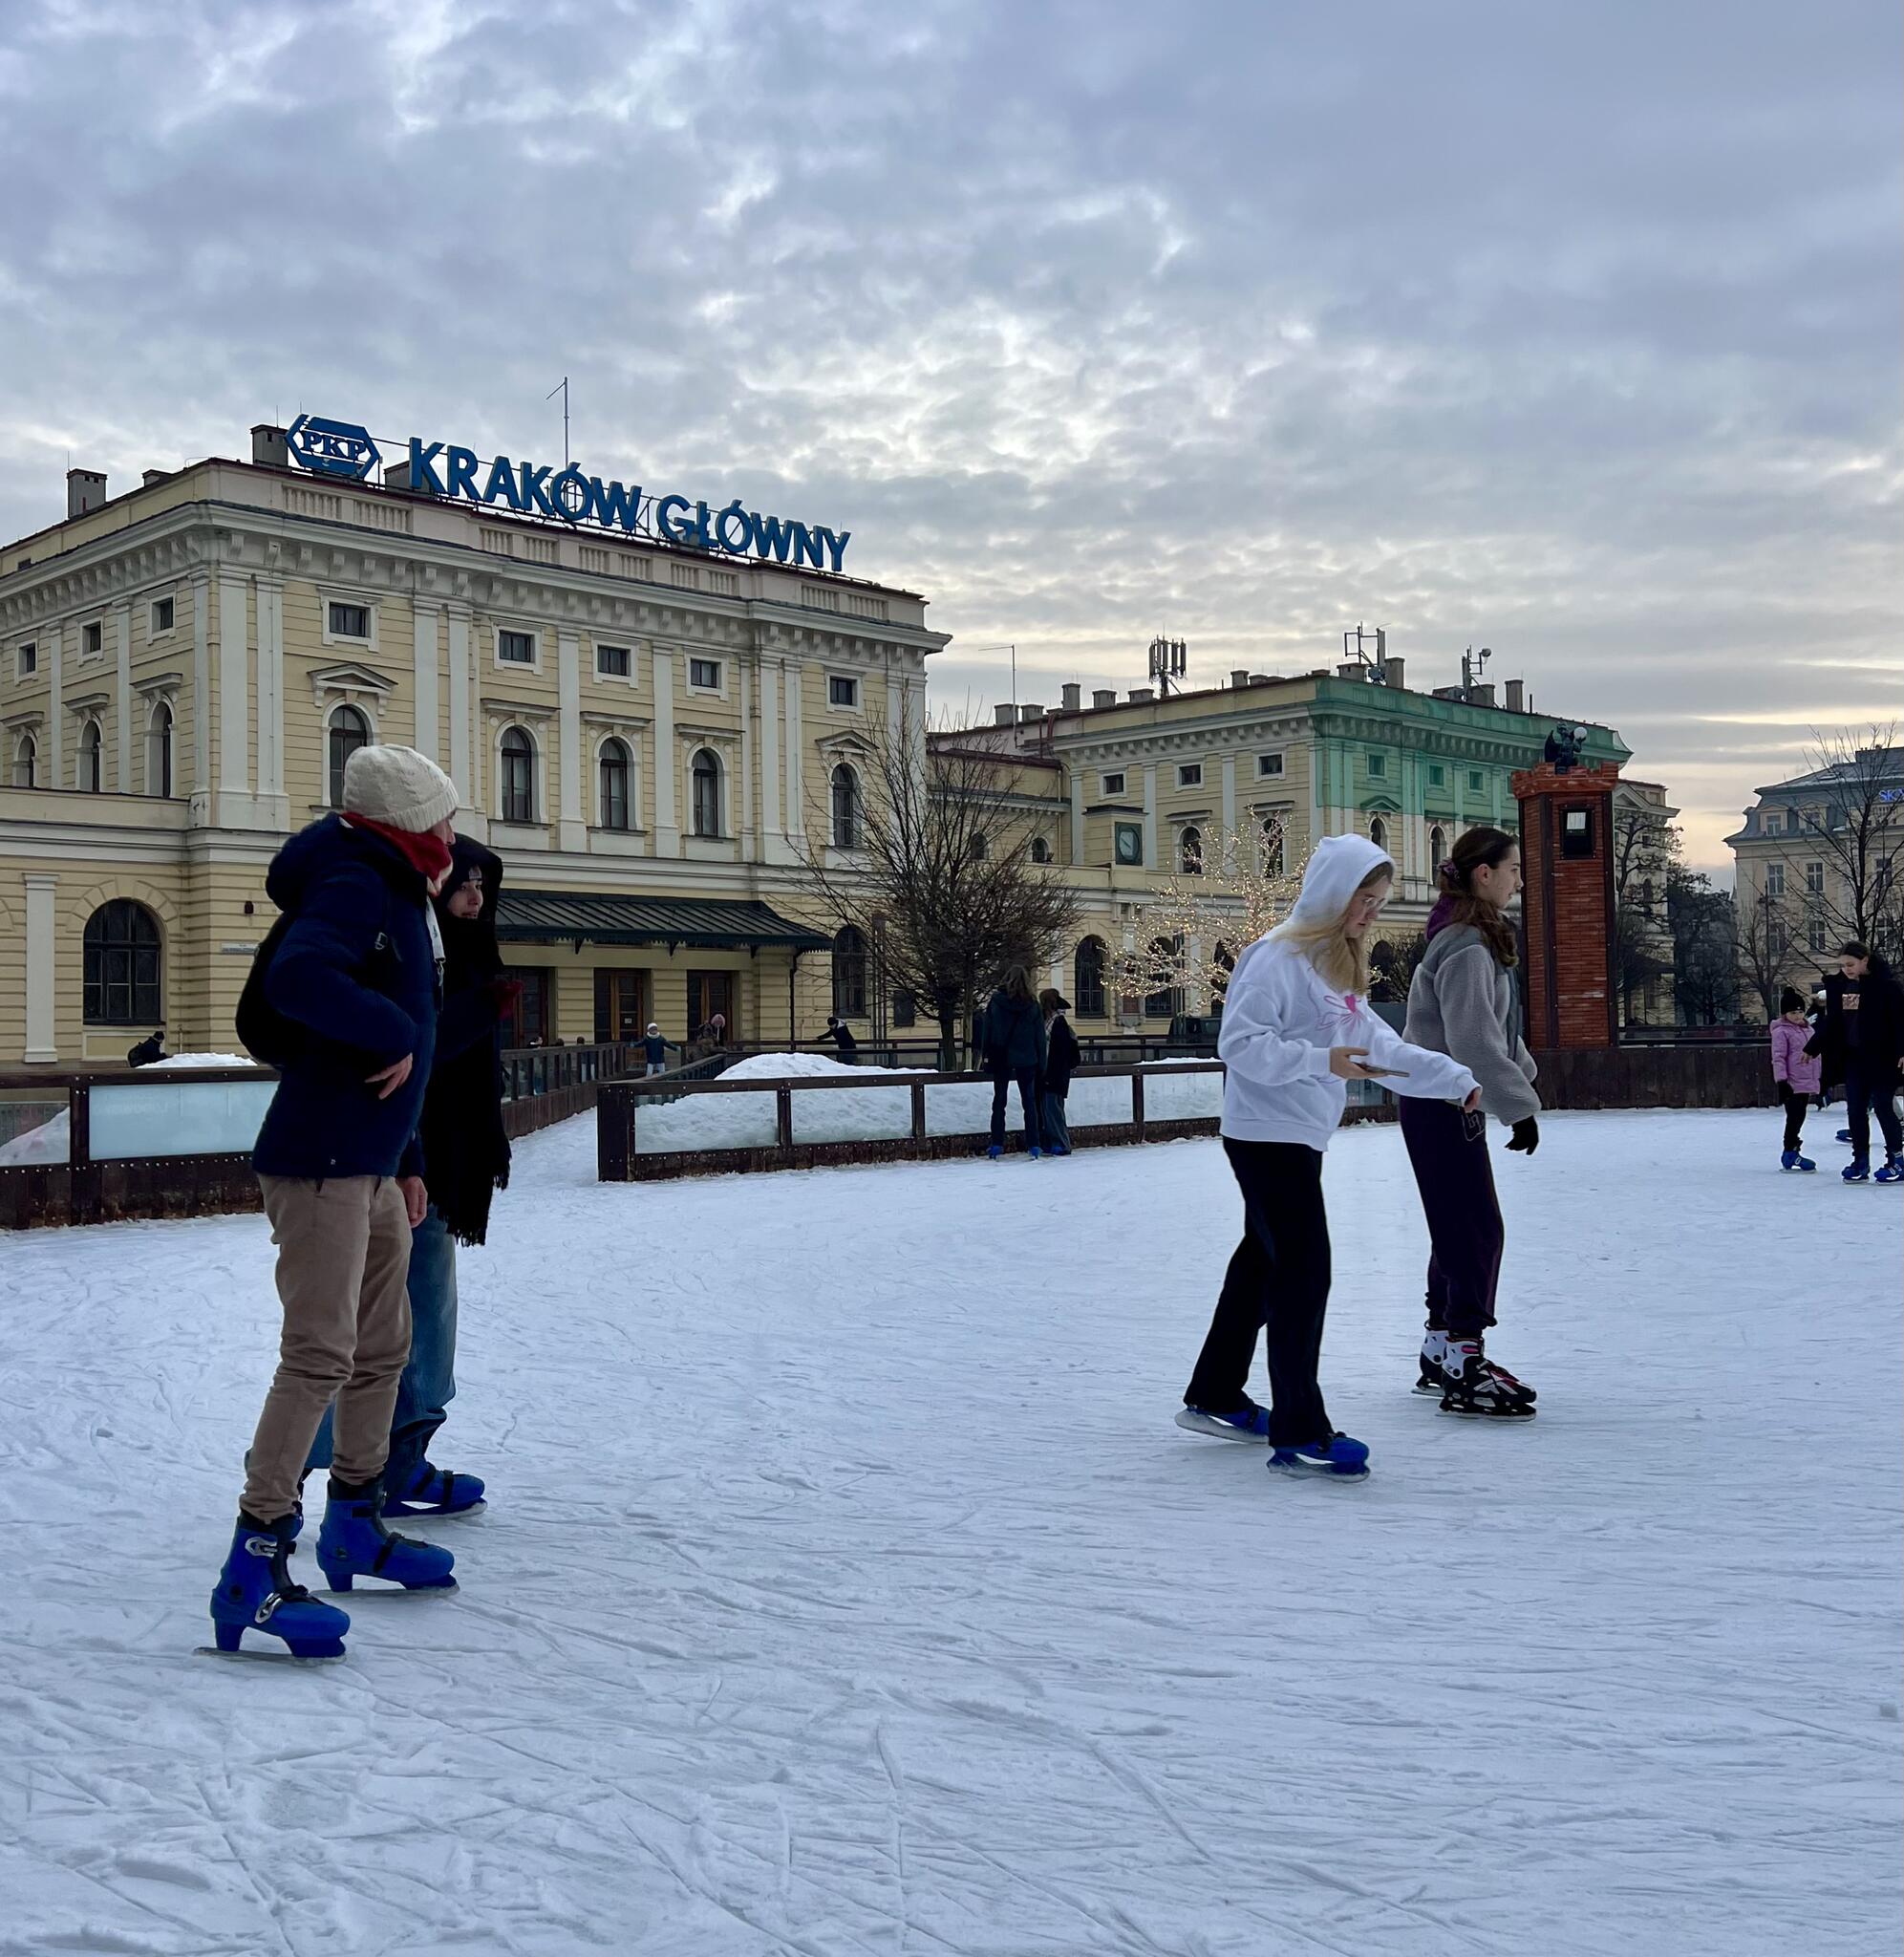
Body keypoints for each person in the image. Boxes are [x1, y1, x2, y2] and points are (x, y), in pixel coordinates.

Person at [207, 745, 460, 1660]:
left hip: (373, 1159)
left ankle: (356, 1519)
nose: (451, 831)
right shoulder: (357, 879)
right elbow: (297, 980)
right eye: (440, 816)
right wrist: (385, 1025)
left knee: (382, 1348)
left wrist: (409, 1155)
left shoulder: (405, 890)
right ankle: (254, 1562)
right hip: (319, 1160)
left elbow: (410, 1056)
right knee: (319, 1353)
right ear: (404, 821)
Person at [1177, 834, 1480, 1481]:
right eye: (1361, 899)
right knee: (1303, 1272)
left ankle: (1215, 1395)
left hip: (1298, 1136)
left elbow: (1381, 1050)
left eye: (1376, 901)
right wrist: (1320, 1060)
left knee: (1261, 1266)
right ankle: (1300, 1429)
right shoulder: (1274, 956)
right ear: (1331, 894)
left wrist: (1455, 1080)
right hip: (1263, 1136)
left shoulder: (1336, 968)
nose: (1369, 912)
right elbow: (1240, 1044)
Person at [307, 837, 514, 1519]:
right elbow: (414, 1045)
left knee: (424, 1317)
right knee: (398, 1322)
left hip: (437, 1165)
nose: (474, 898)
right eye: (462, 885)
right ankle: (332, 1459)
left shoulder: (467, 954)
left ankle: (401, 1458)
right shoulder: (411, 952)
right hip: (402, 1159)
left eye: (483, 886)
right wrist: (480, 1010)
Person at [1398, 827, 1542, 1419]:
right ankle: (1464, 1357)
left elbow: (1496, 1032)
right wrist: (1521, 1106)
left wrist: (1522, 1081)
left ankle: (1442, 1348)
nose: (1519, 880)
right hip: (1445, 1102)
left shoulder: (1467, 936)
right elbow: (1474, 1041)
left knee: (1456, 1227)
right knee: (1477, 1229)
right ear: (1484, 874)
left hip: (1443, 1099)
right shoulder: (1466, 945)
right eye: (1512, 869)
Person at [1814, 940, 1904, 1183]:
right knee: (1855, 1109)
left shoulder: (1887, 987)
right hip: (1855, 1058)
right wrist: (1812, 1047)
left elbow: (1899, 1022)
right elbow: (1834, 1022)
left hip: (1883, 1058)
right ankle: (1860, 1160)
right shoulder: (1843, 988)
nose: (1847, 969)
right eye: (1843, 965)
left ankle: (1897, 1159)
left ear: (1865, 960)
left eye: (1851, 964)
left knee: (1884, 1108)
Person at [978, 965, 1046, 1159]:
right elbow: (1040, 1038)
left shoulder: (996, 1002)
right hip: (1027, 1058)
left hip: (1001, 1057)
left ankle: (997, 1143)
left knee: (999, 1101)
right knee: (1029, 1102)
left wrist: (986, 1056)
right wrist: (1042, 1062)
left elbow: (987, 1032)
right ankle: (1034, 1144)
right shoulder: (1033, 1005)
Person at [1771, 986, 1822, 1172]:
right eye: (1793, 1012)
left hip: (1806, 1080)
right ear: (1785, 1014)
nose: (1798, 1015)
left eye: (1800, 1011)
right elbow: (1778, 1057)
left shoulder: (1807, 1029)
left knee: (1800, 1115)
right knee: (1794, 1117)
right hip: (1792, 1082)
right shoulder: (1781, 1032)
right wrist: (1782, 1081)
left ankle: (1793, 1151)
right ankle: (1790, 1151)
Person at [1038, 987, 1080, 1156]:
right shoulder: (1049, 1021)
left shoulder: (1058, 1022)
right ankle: (1052, 1142)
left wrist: (1051, 1074)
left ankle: (1061, 1143)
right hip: (1050, 1074)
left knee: (1053, 1109)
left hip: (1055, 1075)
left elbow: (1059, 1053)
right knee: (1048, 1109)